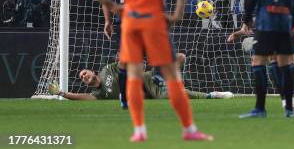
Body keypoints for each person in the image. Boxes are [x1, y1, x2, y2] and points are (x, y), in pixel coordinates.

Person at [84, 0, 212, 142]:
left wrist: (115, 7)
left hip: (130, 22)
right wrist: (177, 14)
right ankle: (189, 129)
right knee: (171, 75)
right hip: (154, 20)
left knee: (132, 75)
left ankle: (139, 131)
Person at [48, 53, 234, 101]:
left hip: (145, 77)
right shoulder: (99, 94)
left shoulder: (106, 70)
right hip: (148, 91)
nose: (84, 76)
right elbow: (81, 97)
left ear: (92, 71)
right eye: (81, 78)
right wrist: (63, 93)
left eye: (84, 73)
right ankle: (213, 95)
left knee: (179, 58)